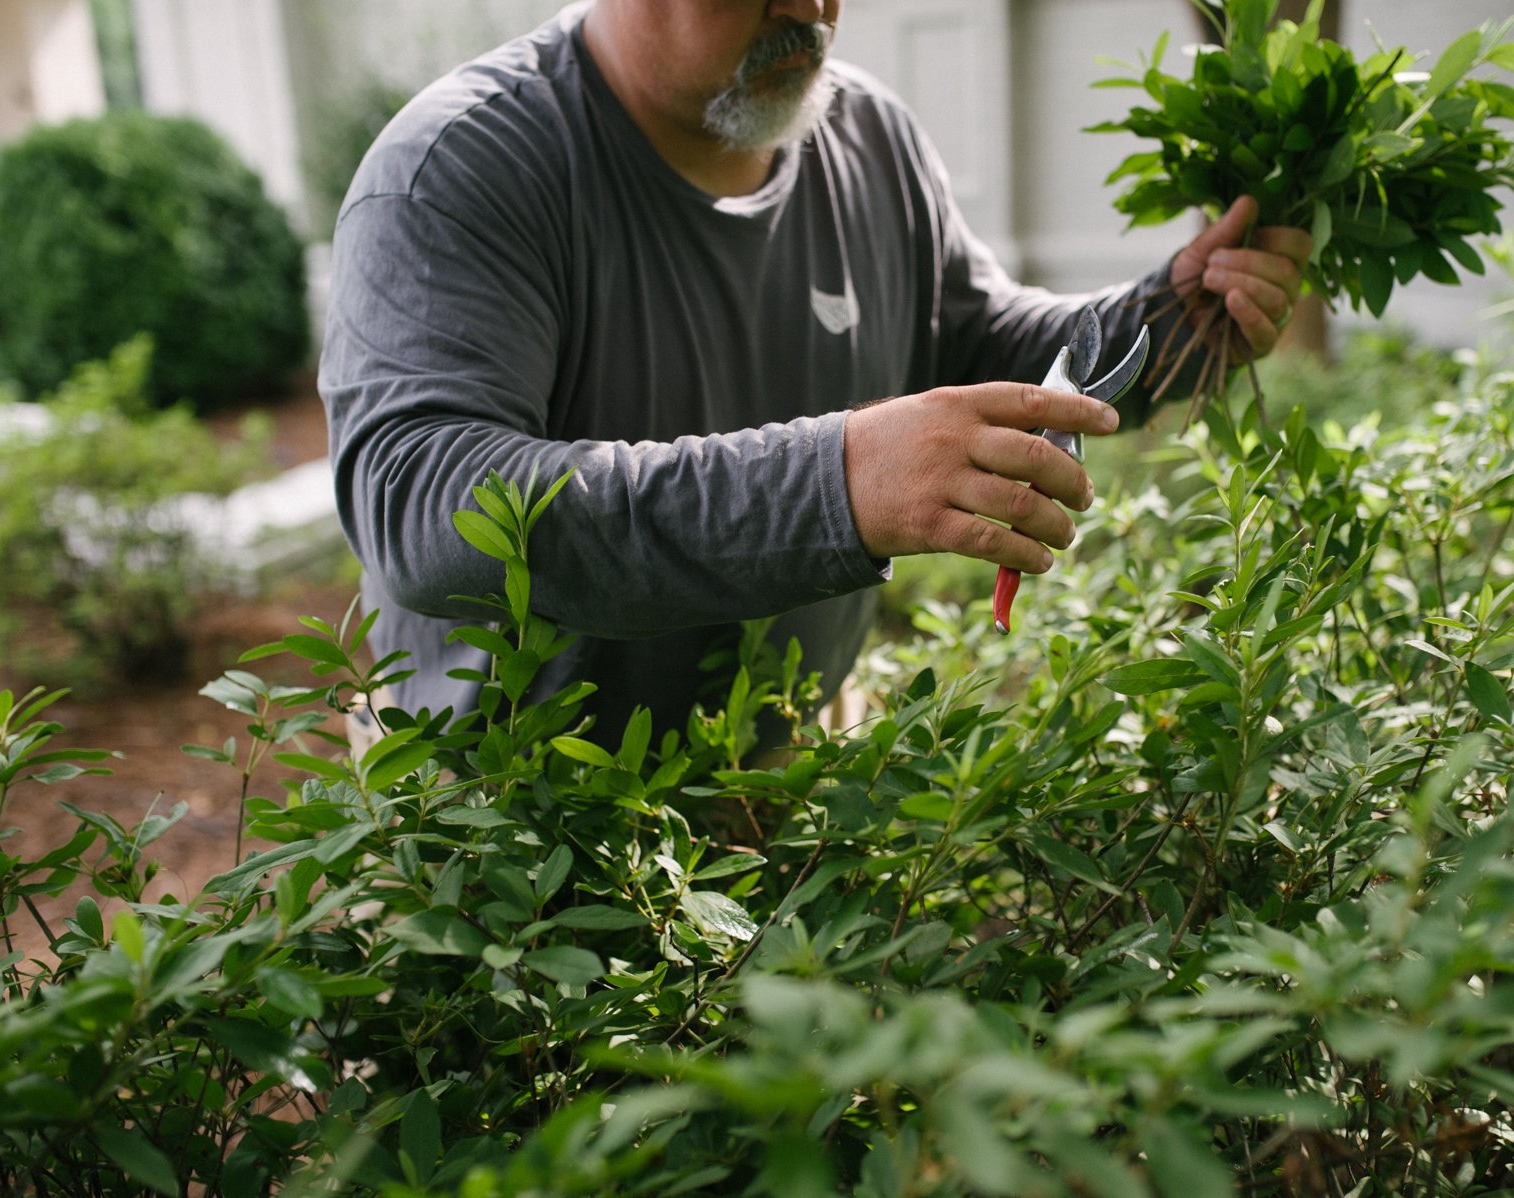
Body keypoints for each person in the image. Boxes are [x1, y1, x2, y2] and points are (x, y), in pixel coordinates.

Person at [320, 0, 1310, 747]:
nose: (810, 5)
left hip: (795, 772)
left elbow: (974, 336)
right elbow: (425, 502)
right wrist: (837, 481)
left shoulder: (866, 134)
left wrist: (1156, 324)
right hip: (514, 833)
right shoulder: (464, 167)